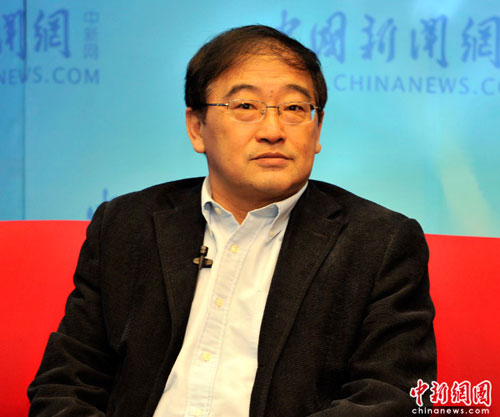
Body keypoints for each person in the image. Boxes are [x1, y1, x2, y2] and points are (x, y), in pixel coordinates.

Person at [28, 25, 436, 417]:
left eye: (295, 108)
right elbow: (65, 384)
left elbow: (391, 396)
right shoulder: (125, 224)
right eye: (245, 107)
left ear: (317, 129)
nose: (273, 130)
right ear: (197, 128)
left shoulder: (380, 242)